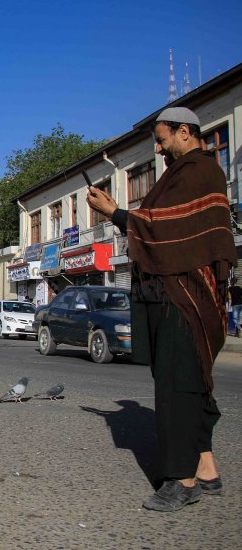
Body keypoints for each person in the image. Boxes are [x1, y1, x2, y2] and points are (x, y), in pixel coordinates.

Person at [86, 107, 235, 511]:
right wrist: (119, 211)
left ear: (185, 132)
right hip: (173, 295)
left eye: (162, 137)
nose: (158, 146)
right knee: (189, 383)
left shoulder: (198, 172)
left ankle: (181, 481)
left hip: (183, 298)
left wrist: (114, 213)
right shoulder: (183, 172)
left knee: (176, 388)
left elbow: (165, 228)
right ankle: (206, 470)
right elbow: (155, 223)